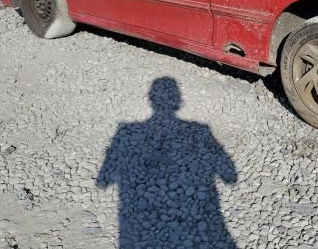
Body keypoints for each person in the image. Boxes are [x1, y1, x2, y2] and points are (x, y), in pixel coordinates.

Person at [97, 77, 237, 248]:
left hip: (138, 230)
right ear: (178, 101)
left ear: (151, 99)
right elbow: (230, 176)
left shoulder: (125, 132)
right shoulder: (202, 130)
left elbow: (103, 180)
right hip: (198, 221)